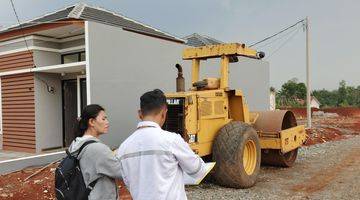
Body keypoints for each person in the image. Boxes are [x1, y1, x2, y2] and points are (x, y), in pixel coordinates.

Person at [117, 89, 207, 200]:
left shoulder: (123, 148)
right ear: (164, 113)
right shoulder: (172, 140)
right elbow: (198, 171)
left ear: (140, 114)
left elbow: (128, 182)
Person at [68, 104, 122, 200]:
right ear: (92, 122)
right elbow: (121, 172)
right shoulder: (98, 149)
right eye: (103, 119)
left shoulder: (76, 143)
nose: (107, 122)